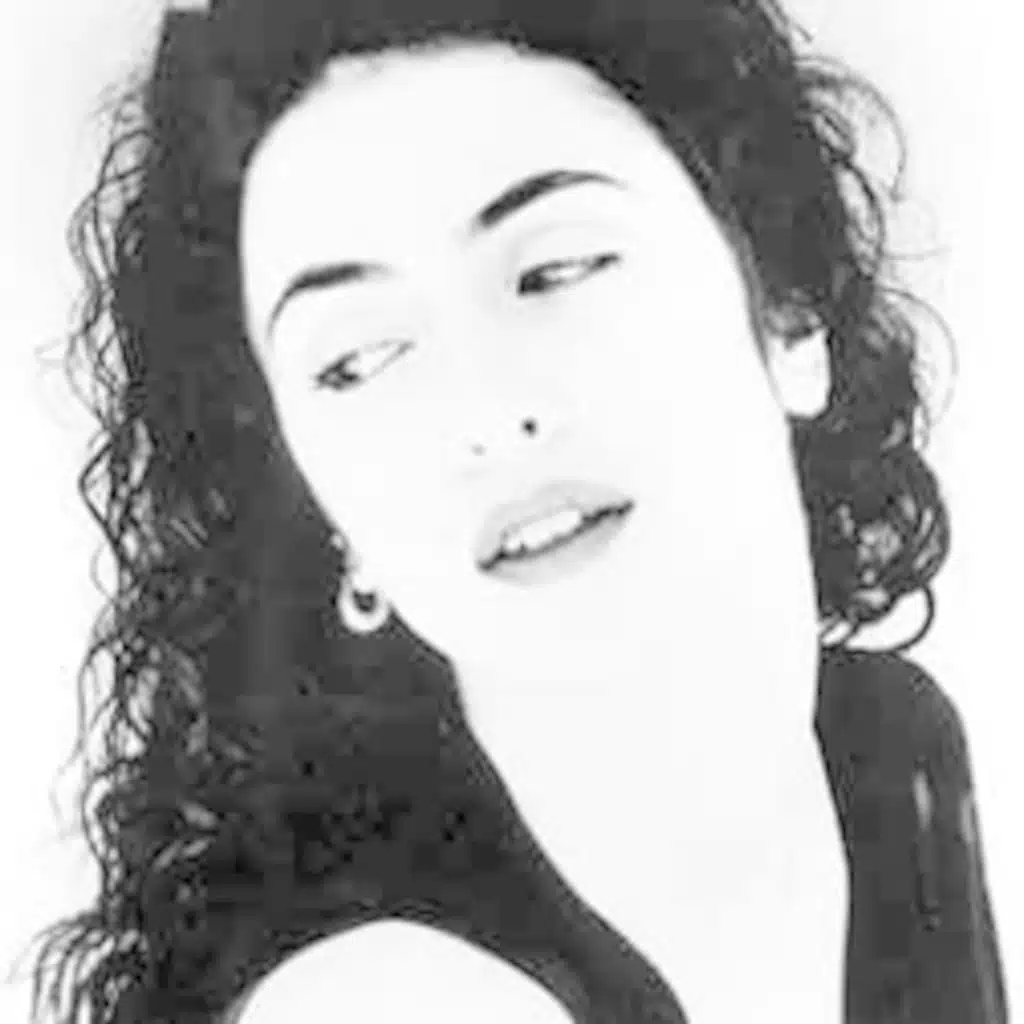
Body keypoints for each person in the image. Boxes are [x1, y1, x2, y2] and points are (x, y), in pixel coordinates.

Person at [26, 0, 1007, 1021]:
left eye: (554, 271)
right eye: (356, 360)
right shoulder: (390, 1004)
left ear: (788, 310)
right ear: (328, 517)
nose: (486, 415)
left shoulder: (892, 757)